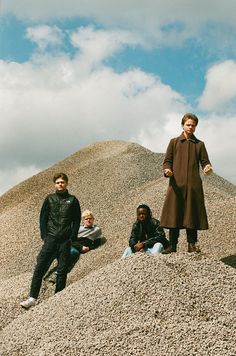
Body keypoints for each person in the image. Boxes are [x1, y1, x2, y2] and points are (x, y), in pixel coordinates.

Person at [20, 173, 81, 309]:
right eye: (58, 182)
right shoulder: (49, 199)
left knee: (62, 269)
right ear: (55, 184)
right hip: (51, 239)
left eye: (62, 182)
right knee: (40, 267)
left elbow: (77, 220)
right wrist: (45, 236)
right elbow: (43, 219)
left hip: (65, 241)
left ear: (66, 183)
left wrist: (72, 237)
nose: (60, 184)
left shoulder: (73, 200)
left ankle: (57, 298)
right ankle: (32, 298)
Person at [160, 113, 213, 254]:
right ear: (182, 125)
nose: (191, 127)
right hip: (176, 185)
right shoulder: (174, 142)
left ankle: (191, 245)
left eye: (193, 125)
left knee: (192, 215)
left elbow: (205, 161)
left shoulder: (200, 144)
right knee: (174, 214)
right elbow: (167, 161)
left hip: (193, 187)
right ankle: (172, 245)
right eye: (188, 124)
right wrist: (167, 170)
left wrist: (207, 167)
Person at [45, 209, 103, 283]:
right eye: (86, 219)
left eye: (90, 218)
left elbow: (97, 243)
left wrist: (89, 248)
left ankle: (56, 274)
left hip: (74, 248)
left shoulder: (97, 230)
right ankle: (43, 272)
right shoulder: (78, 228)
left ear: (93, 219)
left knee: (73, 252)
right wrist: (80, 247)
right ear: (83, 220)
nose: (88, 220)